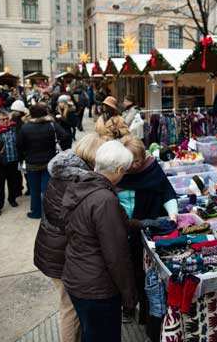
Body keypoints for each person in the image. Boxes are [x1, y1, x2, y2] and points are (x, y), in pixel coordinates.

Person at [35, 133, 108, 342]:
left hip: (52, 249)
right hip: (60, 255)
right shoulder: (77, 181)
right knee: (70, 309)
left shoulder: (62, 174)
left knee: (69, 306)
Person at [62, 140, 136, 342]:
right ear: (119, 169)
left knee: (91, 334)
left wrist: (142, 223)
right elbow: (116, 256)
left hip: (77, 277)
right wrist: (129, 295)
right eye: (125, 171)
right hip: (97, 288)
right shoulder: (104, 199)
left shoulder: (81, 184)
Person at [118, 135, 177, 328]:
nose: (134, 165)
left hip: (145, 229)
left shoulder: (152, 169)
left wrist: (173, 215)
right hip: (121, 229)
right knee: (126, 272)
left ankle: (145, 315)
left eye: (137, 161)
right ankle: (127, 306)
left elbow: (166, 191)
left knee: (143, 273)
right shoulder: (117, 172)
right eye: (130, 161)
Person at [17, 103, 70, 219]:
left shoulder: (25, 127)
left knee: (34, 189)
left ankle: (36, 212)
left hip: (32, 163)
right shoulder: (52, 125)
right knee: (47, 189)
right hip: (49, 161)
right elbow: (65, 136)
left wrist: (24, 156)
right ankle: (49, 213)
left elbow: (19, 145)